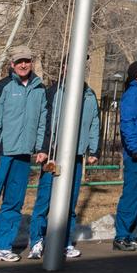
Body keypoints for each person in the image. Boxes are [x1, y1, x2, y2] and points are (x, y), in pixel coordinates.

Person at [0, 46, 48, 262]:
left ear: (31, 63)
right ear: (12, 64)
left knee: (14, 203)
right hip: (1, 154)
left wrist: (41, 148)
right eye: (19, 61)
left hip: (23, 155)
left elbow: (43, 121)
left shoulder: (39, 89)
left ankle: (2, 246)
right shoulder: (0, 87)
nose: (24, 65)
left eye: (27, 61)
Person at [27, 59, 100, 259]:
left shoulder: (89, 95)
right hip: (54, 155)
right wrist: (43, 148)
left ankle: (65, 241)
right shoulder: (53, 92)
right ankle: (37, 241)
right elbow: (44, 122)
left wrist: (94, 150)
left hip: (76, 156)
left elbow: (94, 122)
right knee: (45, 201)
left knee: (70, 202)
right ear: (64, 68)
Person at [113, 60, 137, 251]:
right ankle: (121, 235)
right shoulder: (133, 94)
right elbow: (127, 123)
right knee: (132, 195)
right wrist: (135, 148)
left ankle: (129, 233)